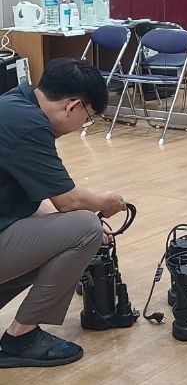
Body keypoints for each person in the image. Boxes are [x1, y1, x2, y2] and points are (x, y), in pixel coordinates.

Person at [0, 58, 126, 367]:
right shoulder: (29, 126)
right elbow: (68, 201)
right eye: (88, 118)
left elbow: (42, 195)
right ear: (73, 106)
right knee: (86, 228)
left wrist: (65, 225)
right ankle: (21, 338)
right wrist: (105, 203)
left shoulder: (14, 104)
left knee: (74, 229)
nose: (83, 124)